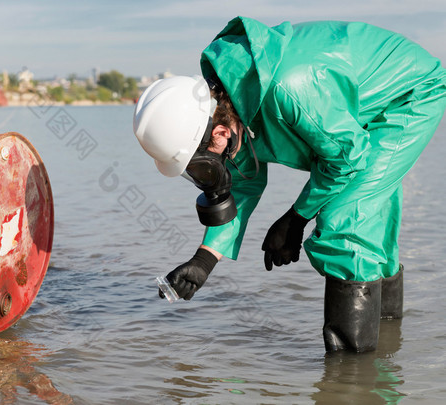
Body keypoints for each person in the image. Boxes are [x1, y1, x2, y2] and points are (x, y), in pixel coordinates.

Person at [132, 17, 446, 353]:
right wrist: (204, 260)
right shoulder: (231, 107)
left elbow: (345, 158)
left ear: (219, 134)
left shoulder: (289, 89)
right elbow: (244, 182)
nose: (207, 175)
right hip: (354, 108)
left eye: (201, 166)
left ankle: (351, 375)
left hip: (409, 93)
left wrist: (296, 217)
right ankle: (383, 354)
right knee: (367, 216)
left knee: (345, 222)